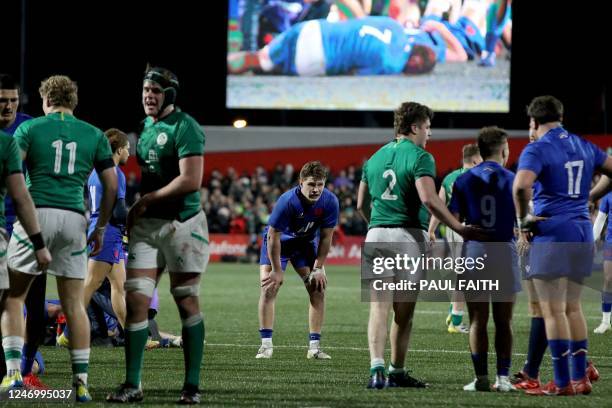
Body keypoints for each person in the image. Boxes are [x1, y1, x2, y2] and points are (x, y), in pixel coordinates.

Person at [0, 75, 116, 402]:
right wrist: (102, 226)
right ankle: (80, 382)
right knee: (74, 304)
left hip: (35, 214)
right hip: (75, 221)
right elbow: (109, 185)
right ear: (73, 100)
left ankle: (13, 375)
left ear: (45, 99)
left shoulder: (29, 129)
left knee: (14, 298)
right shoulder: (94, 134)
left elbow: (11, 171)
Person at [356, 101, 483, 389]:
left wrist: (375, 225)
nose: (429, 134)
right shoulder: (421, 156)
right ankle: (396, 371)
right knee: (404, 313)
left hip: (376, 235)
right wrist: (458, 226)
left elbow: (361, 203)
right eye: (427, 127)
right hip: (407, 237)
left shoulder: (373, 158)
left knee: (379, 307)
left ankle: (376, 370)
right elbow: (428, 198)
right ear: (414, 127)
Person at [106, 66, 208, 404]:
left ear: (170, 95)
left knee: (185, 299)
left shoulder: (187, 127)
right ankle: (132, 384)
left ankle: (191, 387)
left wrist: (145, 200)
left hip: (183, 225)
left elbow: (190, 180)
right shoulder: (142, 128)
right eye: (146, 90)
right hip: (149, 228)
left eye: (156, 91)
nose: (149, 96)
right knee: (136, 301)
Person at [513, 95, 612, 396]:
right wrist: (591, 197)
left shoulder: (537, 148)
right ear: (560, 116)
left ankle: (561, 382)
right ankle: (580, 378)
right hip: (581, 229)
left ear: (533, 122)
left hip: (553, 232)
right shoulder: (583, 145)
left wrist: (524, 221)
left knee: (552, 310)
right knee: (573, 308)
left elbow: (520, 186)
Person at [448, 126, 520, 392]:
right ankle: (502, 379)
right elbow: (523, 215)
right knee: (504, 320)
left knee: (478, 319)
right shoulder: (514, 178)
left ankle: (480, 379)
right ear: (503, 150)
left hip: (475, 251)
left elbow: (455, 219)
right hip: (503, 249)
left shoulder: (464, 180)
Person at [256, 161, 339, 360]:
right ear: (301, 182)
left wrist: (318, 267)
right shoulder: (287, 201)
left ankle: (314, 348)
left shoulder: (330, 201)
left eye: (320, 184)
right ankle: (265, 346)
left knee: (318, 289)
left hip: (305, 245)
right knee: (269, 287)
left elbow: (327, 237)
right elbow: (273, 236)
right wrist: (277, 270)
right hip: (278, 244)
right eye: (311, 184)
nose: (316, 189)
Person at [0, 73, 51, 390]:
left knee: (34, 306)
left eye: (12, 100)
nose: (7, 106)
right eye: (2, 100)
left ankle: (25, 362)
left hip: (24, 227)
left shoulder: (29, 127)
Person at [57, 128, 130, 347]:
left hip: (103, 231)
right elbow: (118, 212)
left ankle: (132, 334)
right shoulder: (116, 173)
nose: (129, 153)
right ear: (118, 150)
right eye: (127, 149)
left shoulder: (95, 172)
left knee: (119, 286)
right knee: (89, 286)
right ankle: (68, 334)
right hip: (107, 232)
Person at [227, 16, 436, 76]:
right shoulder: (393, 64)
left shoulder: (394, 25)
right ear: (416, 63)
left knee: (260, 58)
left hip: (315, 28)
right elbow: (354, 74)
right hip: (317, 58)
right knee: (272, 68)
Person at [428, 143, 481, 334]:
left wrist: (431, 230)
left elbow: (438, 207)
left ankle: (453, 313)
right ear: (475, 159)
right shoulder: (478, 177)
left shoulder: (450, 178)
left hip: (452, 229)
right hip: (468, 230)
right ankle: (456, 320)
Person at [592, 192, 612, 333]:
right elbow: (600, 219)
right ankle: (605, 321)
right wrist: (592, 241)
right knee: (608, 279)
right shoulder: (608, 196)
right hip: (611, 243)